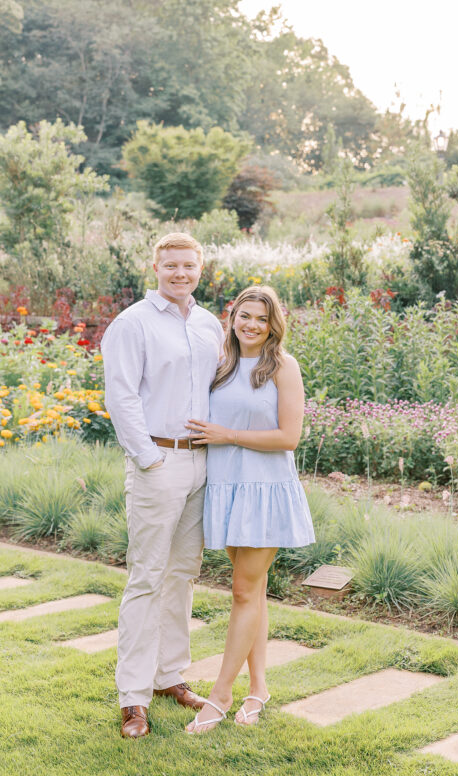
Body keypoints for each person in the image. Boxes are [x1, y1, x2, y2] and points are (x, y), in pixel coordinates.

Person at [100, 232, 224, 739]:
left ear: (200, 269)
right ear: (155, 267)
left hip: (202, 464)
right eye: (171, 265)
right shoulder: (132, 324)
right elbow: (121, 396)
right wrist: (149, 459)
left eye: (188, 266)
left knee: (183, 574)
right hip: (158, 463)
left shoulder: (209, 323)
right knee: (147, 577)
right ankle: (133, 698)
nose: (180, 273)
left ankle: (169, 675)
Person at [184, 285, 315, 734]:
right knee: (252, 593)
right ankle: (258, 688)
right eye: (245, 316)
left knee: (242, 591)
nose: (252, 325)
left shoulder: (282, 366)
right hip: (227, 489)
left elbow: (289, 437)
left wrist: (228, 435)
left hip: (266, 492)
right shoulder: (220, 365)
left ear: (272, 323)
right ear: (233, 316)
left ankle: (220, 695)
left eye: (261, 318)